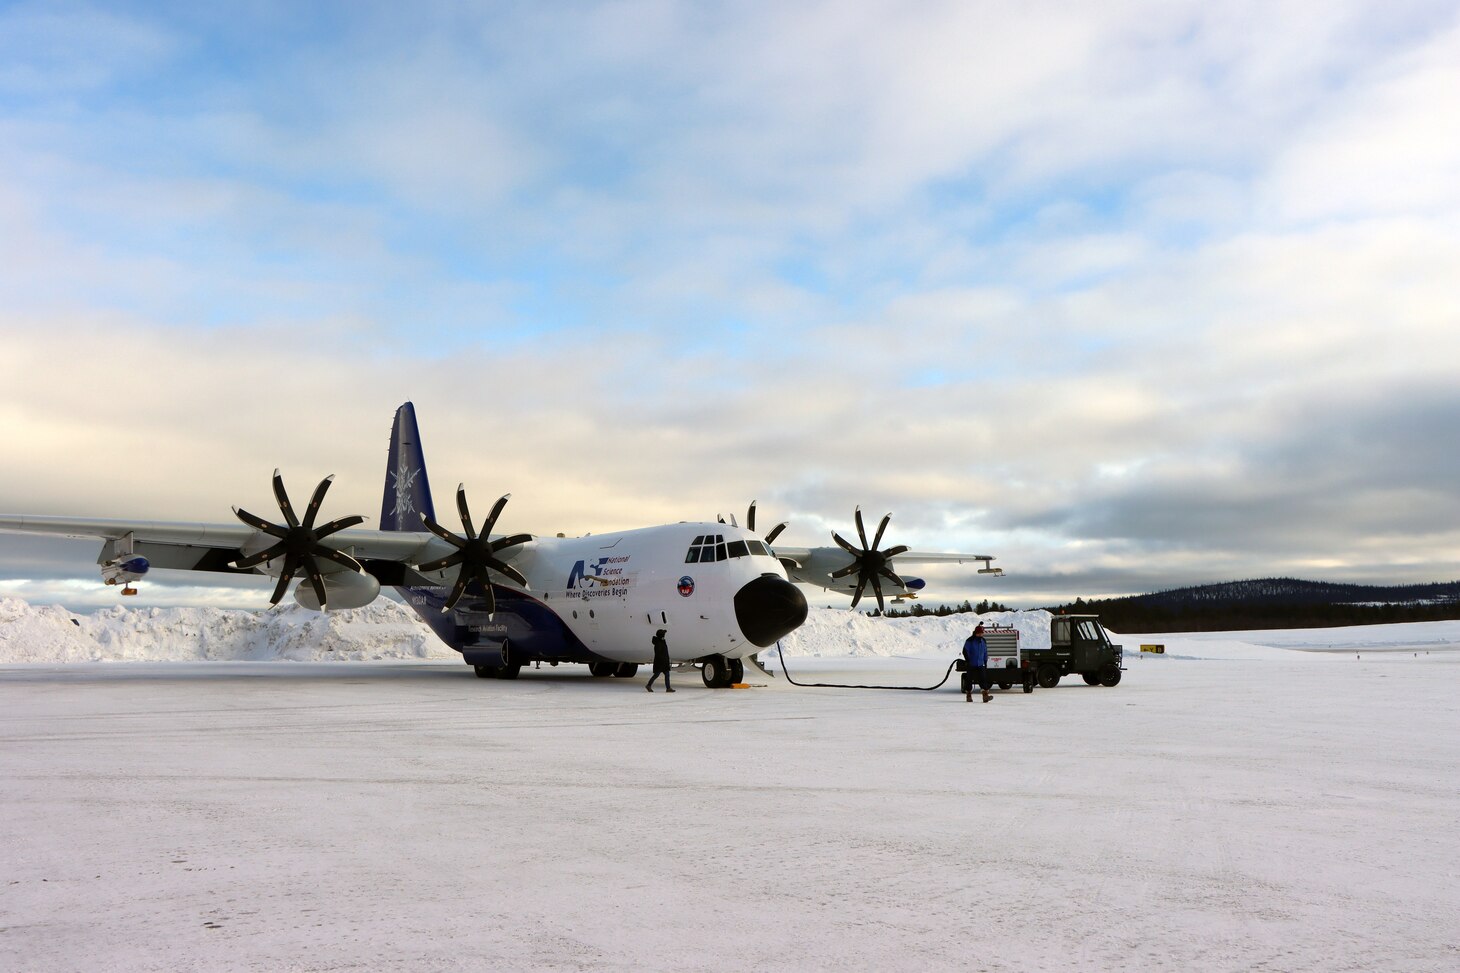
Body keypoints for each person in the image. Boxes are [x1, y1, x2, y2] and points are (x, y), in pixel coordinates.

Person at [962, 623, 991, 703]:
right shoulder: (970, 641)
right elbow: (965, 651)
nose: (981, 634)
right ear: (976, 633)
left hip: (980, 664)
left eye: (982, 633)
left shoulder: (983, 641)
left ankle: (985, 695)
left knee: (983, 680)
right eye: (980, 633)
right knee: (969, 680)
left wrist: (985, 661)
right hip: (971, 664)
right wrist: (968, 660)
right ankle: (969, 695)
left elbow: (985, 652)